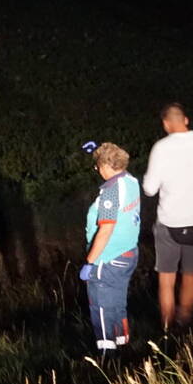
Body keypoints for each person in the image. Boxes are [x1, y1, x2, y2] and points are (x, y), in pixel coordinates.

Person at [142, 102, 193, 331]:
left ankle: (166, 332)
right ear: (186, 120)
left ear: (166, 124)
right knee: (191, 276)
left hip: (169, 222)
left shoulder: (161, 148)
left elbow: (149, 189)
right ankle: (185, 324)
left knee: (166, 279)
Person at [80, 143, 141, 352]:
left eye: (98, 166)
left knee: (103, 309)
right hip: (128, 254)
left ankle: (107, 359)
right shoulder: (130, 181)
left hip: (108, 259)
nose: (97, 170)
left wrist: (90, 262)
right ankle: (124, 349)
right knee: (117, 304)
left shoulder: (111, 192)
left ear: (107, 166)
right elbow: (114, 161)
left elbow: (105, 230)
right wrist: (99, 150)